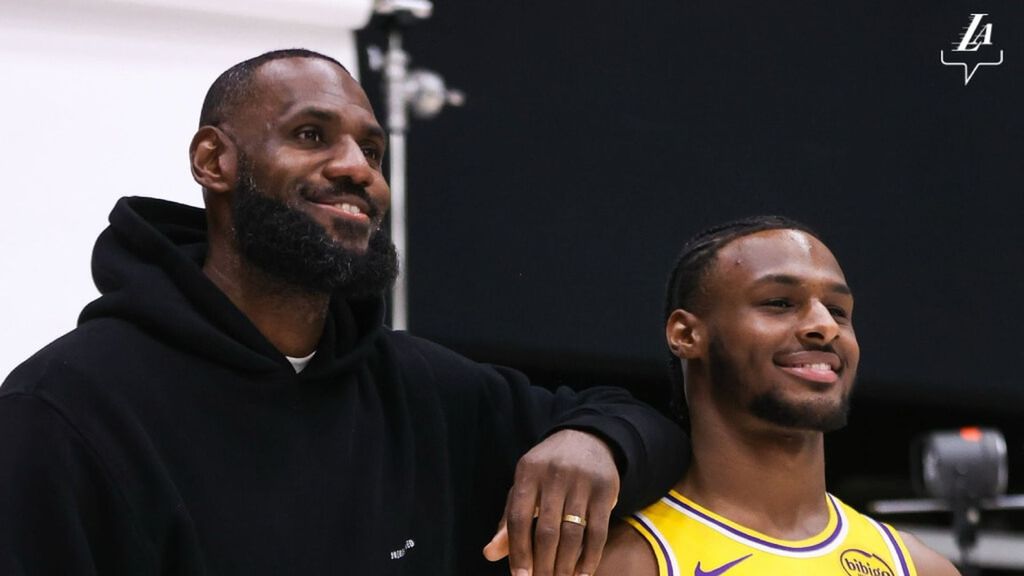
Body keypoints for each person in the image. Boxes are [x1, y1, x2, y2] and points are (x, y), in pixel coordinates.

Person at [0, 49, 689, 576]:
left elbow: (654, 424)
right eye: (310, 135)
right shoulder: (62, 411)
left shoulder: (423, 388)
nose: (358, 169)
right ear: (214, 161)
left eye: (371, 148)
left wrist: (596, 442)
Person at [596, 216, 960, 576]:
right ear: (687, 335)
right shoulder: (616, 560)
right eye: (780, 303)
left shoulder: (916, 568)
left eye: (837, 310)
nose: (825, 326)